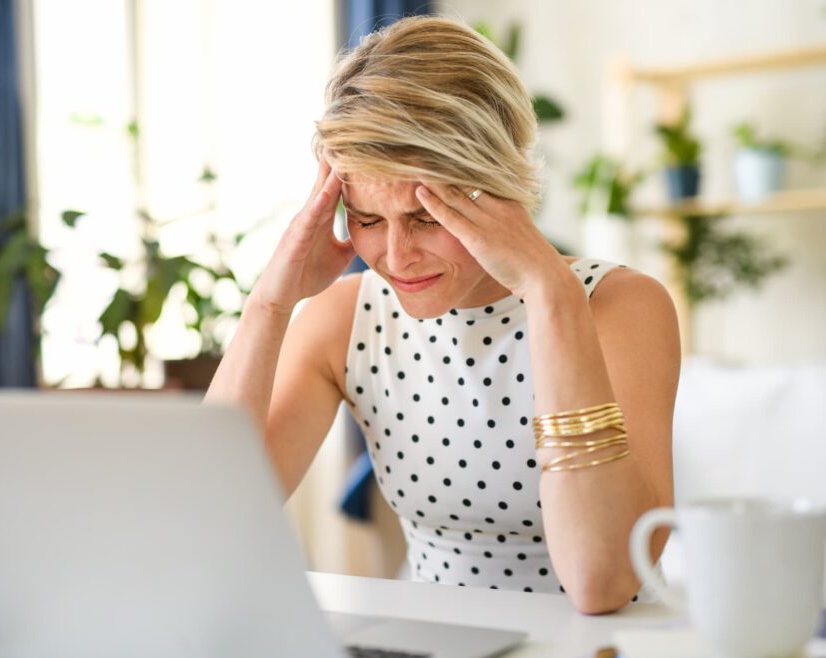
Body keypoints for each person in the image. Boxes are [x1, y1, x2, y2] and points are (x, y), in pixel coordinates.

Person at [206, 16, 679, 615]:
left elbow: (599, 581)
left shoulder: (618, 306)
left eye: (427, 218)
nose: (396, 258)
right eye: (368, 220)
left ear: (498, 187)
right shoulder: (346, 322)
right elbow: (214, 521)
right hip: (438, 652)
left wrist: (550, 293)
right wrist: (268, 305)